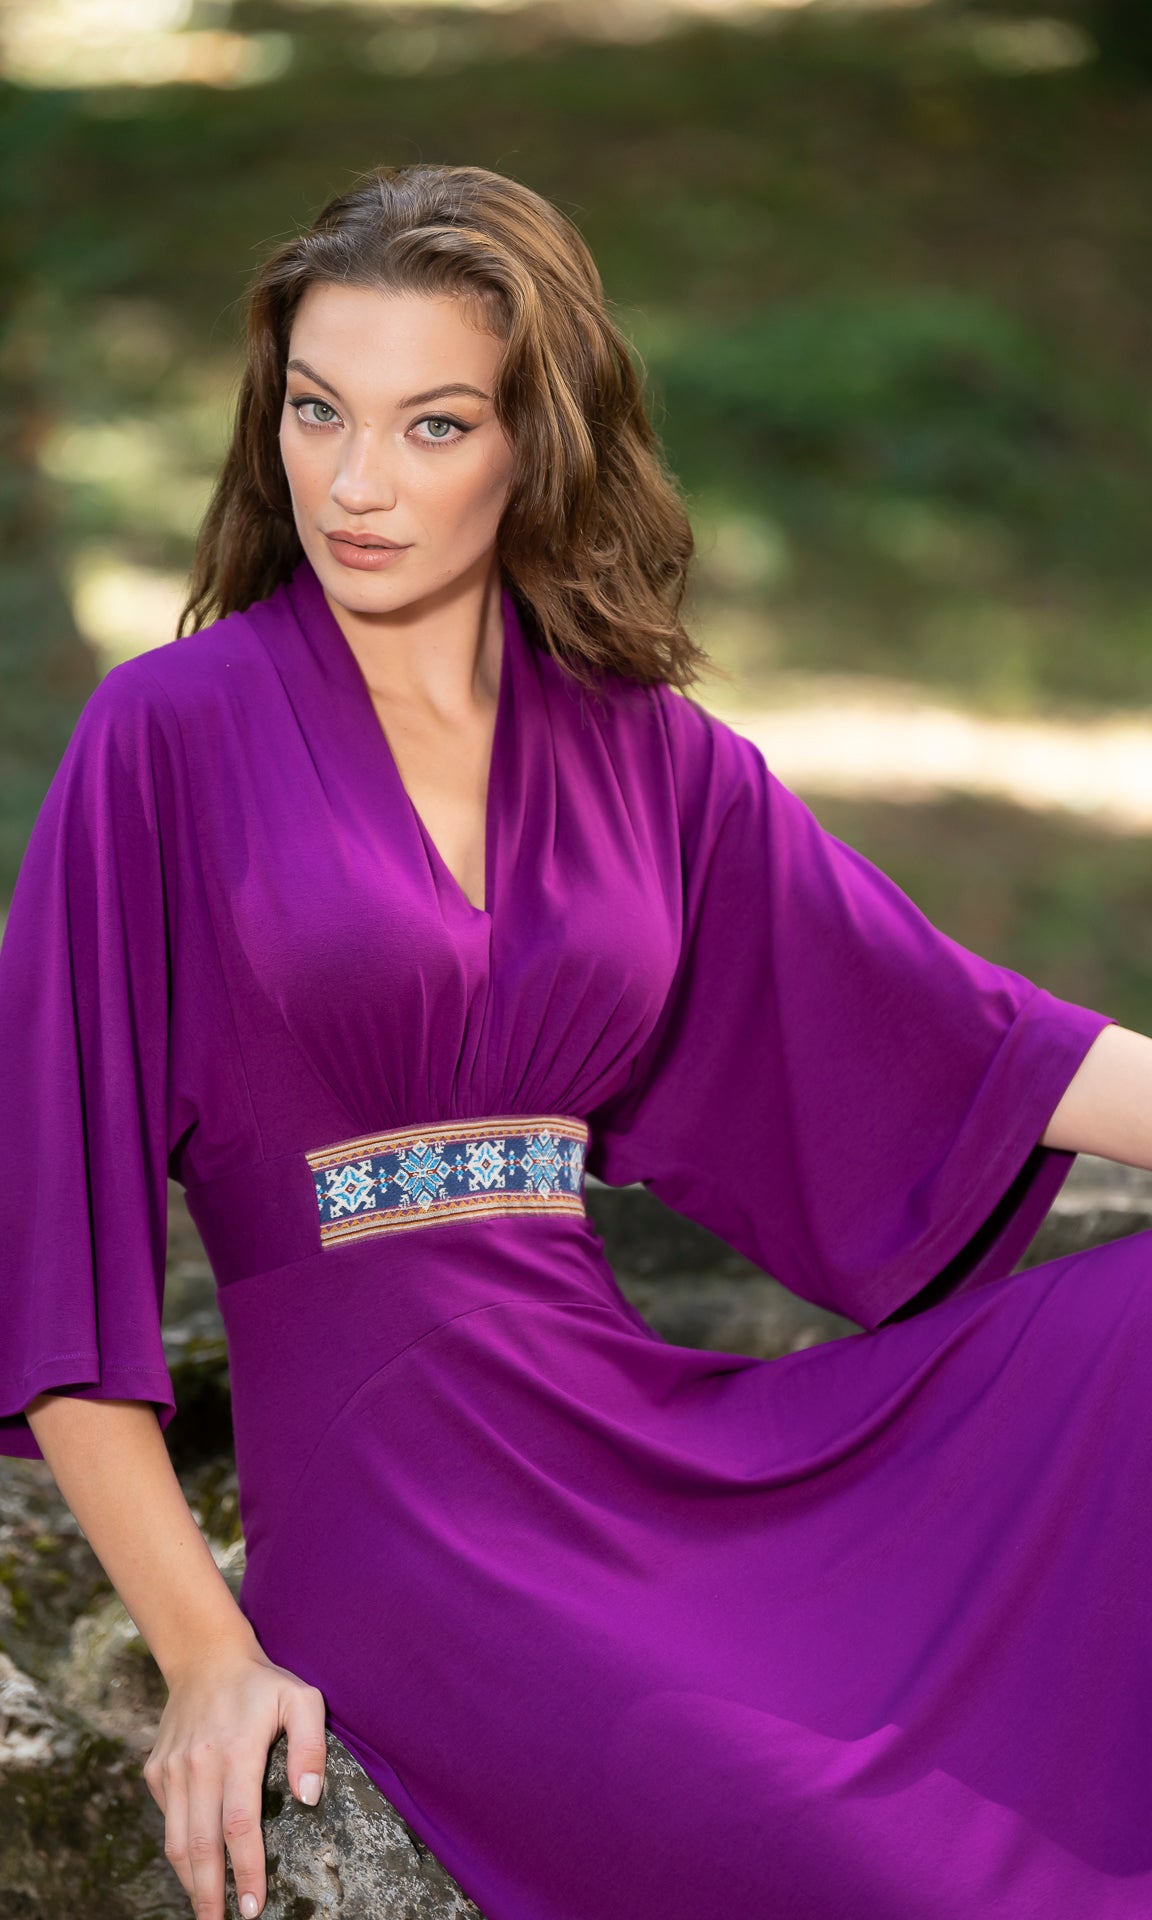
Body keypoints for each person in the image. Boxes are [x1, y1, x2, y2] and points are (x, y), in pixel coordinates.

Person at [2, 162, 1151, 1920]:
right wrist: (206, 1652)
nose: (357, 483)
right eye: (317, 410)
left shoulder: (643, 749)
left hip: (638, 1439)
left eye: (434, 424)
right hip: (407, 1525)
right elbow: (46, 1231)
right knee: (851, 1859)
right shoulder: (166, 735)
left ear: (535, 444)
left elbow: (988, 1044)